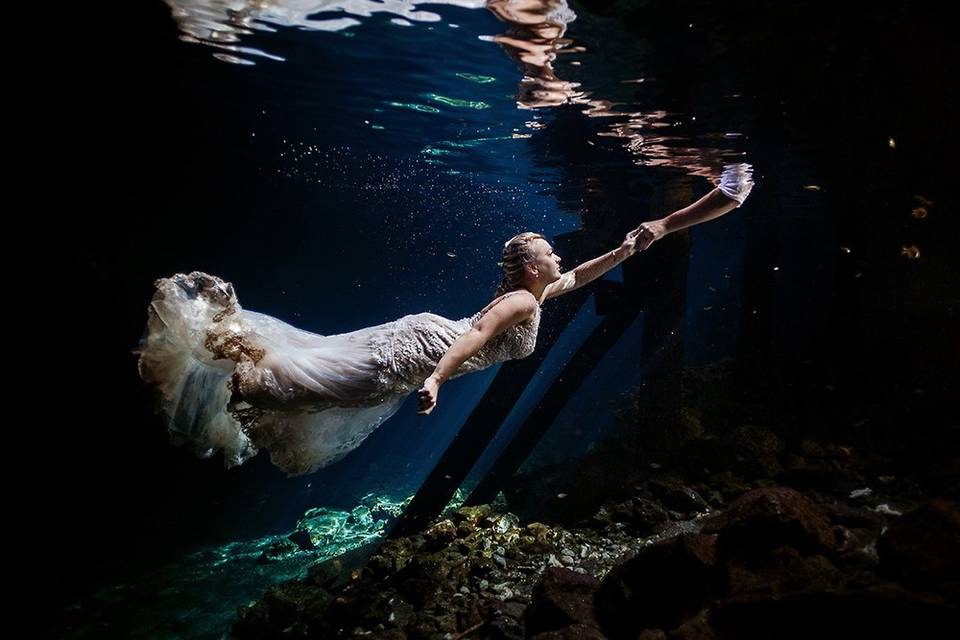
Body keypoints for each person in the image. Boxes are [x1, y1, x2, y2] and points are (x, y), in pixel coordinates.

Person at [136, 165, 752, 476]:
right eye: (550, 253)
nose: (558, 256)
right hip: (425, 352)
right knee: (323, 386)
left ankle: (238, 359)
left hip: (427, 341)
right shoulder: (521, 303)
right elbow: (480, 338)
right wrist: (435, 379)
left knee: (325, 376)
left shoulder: (530, 292)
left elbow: (579, 277)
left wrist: (624, 251)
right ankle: (237, 363)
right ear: (530, 267)